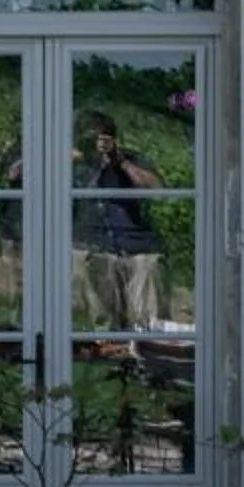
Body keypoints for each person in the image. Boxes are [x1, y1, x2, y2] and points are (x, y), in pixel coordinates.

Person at [71, 111, 165, 330]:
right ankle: (105, 348)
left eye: (103, 139)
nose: (97, 145)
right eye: (90, 138)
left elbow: (157, 190)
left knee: (146, 321)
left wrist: (119, 161)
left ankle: (145, 352)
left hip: (137, 246)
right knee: (101, 321)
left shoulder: (131, 158)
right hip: (93, 245)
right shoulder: (77, 164)